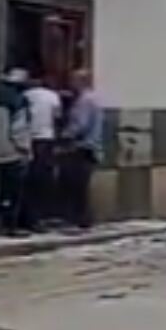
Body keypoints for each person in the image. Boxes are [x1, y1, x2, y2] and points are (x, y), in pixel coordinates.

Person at [0, 70, 33, 233]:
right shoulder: (18, 102)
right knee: (14, 192)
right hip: (14, 153)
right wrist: (25, 149)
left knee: (4, 191)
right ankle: (10, 226)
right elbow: (19, 130)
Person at [59, 70, 102, 230]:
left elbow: (79, 125)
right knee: (81, 185)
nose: (70, 84)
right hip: (91, 147)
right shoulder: (94, 99)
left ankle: (79, 219)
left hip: (81, 147)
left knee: (76, 185)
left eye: (73, 80)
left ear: (81, 82)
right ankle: (83, 218)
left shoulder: (84, 101)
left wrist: (64, 135)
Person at [22, 74, 64, 224]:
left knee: (28, 179)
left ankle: (26, 215)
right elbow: (58, 117)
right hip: (47, 138)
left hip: (27, 138)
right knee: (43, 178)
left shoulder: (25, 95)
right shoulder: (53, 96)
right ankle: (40, 215)